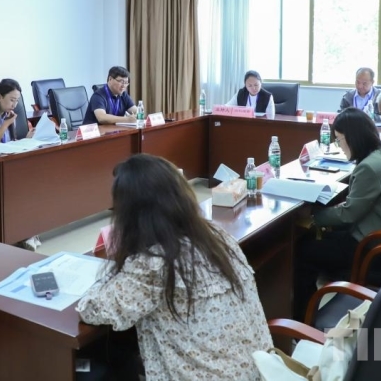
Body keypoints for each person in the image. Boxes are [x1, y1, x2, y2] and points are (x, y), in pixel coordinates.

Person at [77, 154, 273, 380]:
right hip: (261, 373)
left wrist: (113, 272)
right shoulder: (218, 238)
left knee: (92, 365)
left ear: (133, 215)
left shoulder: (155, 262)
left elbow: (91, 309)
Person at [293, 107, 381, 321]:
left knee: (304, 250)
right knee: (317, 240)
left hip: (377, 249)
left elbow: (348, 214)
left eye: (339, 139)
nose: (339, 145)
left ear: (353, 138)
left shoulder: (369, 168)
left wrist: (312, 218)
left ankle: (303, 320)